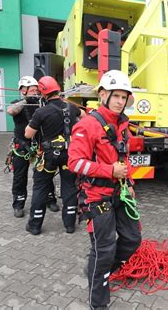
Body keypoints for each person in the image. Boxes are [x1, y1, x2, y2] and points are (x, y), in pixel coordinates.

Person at [67, 70, 141, 309]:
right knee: (103, 248)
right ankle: (98, 300)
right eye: (116, 96)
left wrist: (128, 183)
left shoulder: (122, 124)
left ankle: (104, 269)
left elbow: (124, 156)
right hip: (97, 196)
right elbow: (74, 163)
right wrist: (109, 171)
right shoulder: (87, 125)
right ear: (103, 95)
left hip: (119, 192)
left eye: (124, 96)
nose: (121, 101)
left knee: (132, 239)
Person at [24, 76, 83, 235]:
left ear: (44, 94)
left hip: (49, 156)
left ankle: (35, 225)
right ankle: (70, 225)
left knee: (41, 187)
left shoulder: (41, 112)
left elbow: (28, 134)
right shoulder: (71, 107)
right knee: (69, 186)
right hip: (69, 155)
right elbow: (83, 115)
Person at [6, 76, 58, 218]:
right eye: (32, 90)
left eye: (37, 90)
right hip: (22, 145)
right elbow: (11, 111)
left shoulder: (41, 104)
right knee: (20, 176)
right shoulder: (18, 103)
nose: (35, 93)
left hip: (40, 144)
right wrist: (27, 100)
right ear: (23, 90)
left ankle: (50, 198)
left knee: (46, 173)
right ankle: (18, 203)